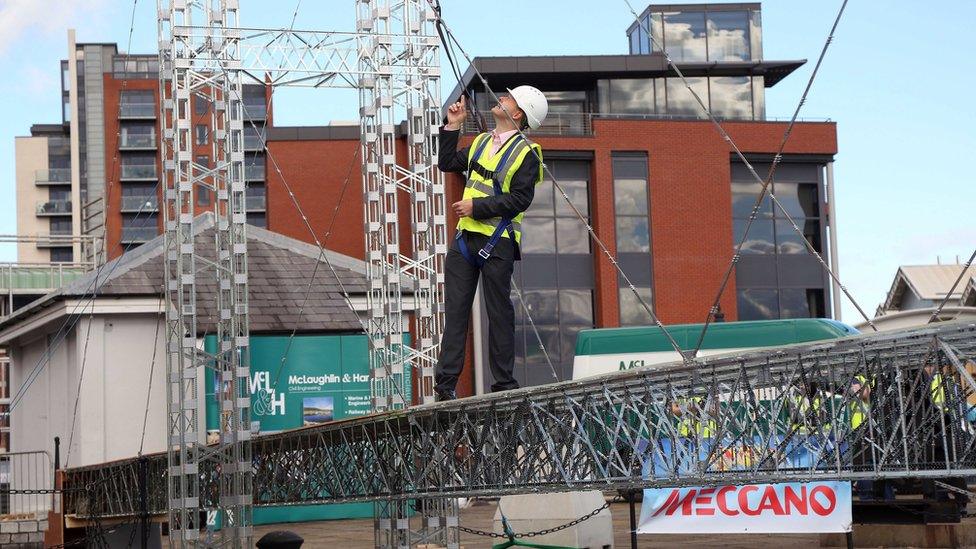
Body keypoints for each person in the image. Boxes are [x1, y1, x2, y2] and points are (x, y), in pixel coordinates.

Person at [433, 87, 549, 401]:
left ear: (518, 114)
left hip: (498, 241)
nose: (502, 99)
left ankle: (503, 386)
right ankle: (445, 387)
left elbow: (520, 199)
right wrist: (453, 126)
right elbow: (446, 163)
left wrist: (477, 207)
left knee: (498, 312)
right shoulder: (481, 142)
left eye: (509, 99)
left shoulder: (527, 153)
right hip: (465, 240)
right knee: (455, 312)